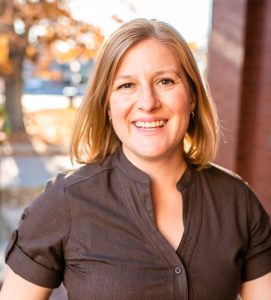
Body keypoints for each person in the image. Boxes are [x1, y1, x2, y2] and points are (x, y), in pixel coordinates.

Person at [0, 18, 270, 300]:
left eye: (165, 81)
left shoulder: (237, 201)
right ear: (107, 104)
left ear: (192, 97)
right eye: (127, 85)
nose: (148, 102)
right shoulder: (65, 201)